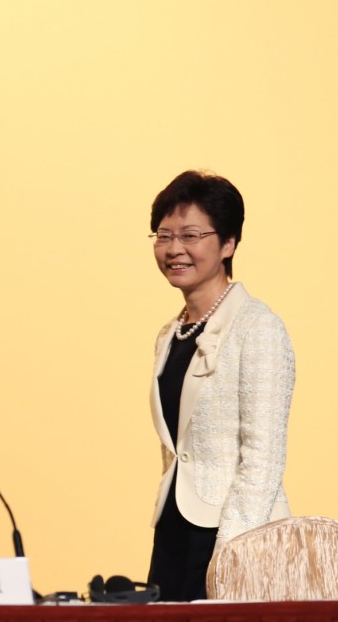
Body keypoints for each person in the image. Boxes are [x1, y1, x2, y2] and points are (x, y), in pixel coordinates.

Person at [146, 170, 294, 601]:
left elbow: (263, 458)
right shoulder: (170, 333)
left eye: (190, 236)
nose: (174, 249)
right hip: (174, 529)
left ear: (228, 244)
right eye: (163, 236)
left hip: (233, 533)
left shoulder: (257, 327)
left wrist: (231, 550)